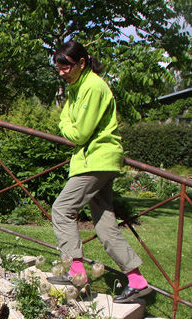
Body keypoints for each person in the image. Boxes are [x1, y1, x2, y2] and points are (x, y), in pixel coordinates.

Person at [48, 41, 151, 303]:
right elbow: (70, 119)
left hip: (96, 160)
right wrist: (67, 120)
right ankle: (137, 280)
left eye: (66, 66)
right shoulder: (77, 88)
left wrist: (64, 123)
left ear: (82, 63)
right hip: (95, 161)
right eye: (58, 67)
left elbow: (78, 132)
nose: (61, 72)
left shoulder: (93, 86)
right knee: (105, 225)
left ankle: (76, 272)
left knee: (62, 210)